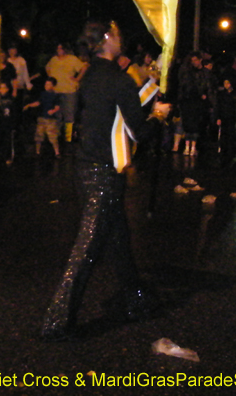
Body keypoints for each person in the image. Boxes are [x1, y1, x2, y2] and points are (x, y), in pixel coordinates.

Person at [40, 20, 170, 341]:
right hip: (103, 175)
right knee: (86, 249)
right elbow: (138, 130)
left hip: (86, 167)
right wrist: (158, 116)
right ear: (108, 38)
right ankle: (56, 321)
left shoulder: (91, 75)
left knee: (118, 240)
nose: (121, 36)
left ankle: (136, 299)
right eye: (117, 32)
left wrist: (150, 84)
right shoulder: (117, 79)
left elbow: (119, 108)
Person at [45, 42, 87, 143]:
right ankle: (57, 136)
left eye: (61, 48)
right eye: (58, 49)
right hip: (56, 91)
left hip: (69, 91)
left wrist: (77, 79)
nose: (59, 50)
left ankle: (68, 137)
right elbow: (47, 68)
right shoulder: (54, 60)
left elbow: (84, 67)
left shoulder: (72, 59)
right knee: (57, 114)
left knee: (69, 114)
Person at [177, 51, 215, 157]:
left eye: (195, 60)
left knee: (196, 125)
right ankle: (188, 147)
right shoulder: (188, 72)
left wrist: (209, 101)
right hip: (189, 101)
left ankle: (193, 147)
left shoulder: (205, 73)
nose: (194, 62)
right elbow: (183, 87)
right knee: (188, 125)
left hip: (199, 103)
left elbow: (209, 88)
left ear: (200, 60)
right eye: (192, 60)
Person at [23, 77, 61, 158]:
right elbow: (38, 102)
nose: (46, 86)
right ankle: (37, 151)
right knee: (39, 135)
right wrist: (29, 105)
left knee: (53, 136)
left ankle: (57, 152)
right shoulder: (43, 94)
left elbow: (57, 106)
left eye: (48, 84)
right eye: (46, 84)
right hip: (42, 117)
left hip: (51, 119)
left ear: (53, 86)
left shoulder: (55, 95)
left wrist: (53, 111)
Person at [0, 79, 18, 164]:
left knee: (8, 141)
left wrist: (14, 124)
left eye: (4, 88)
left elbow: (14, 112)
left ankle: (8, 157)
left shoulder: (11, 99)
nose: (2, 90)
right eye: (0, 88)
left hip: (8, 123)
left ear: (7, 89)